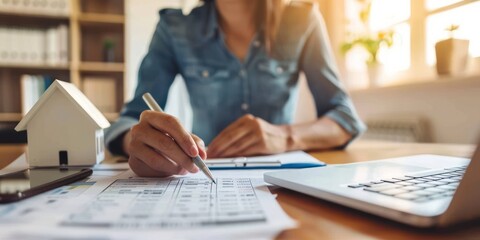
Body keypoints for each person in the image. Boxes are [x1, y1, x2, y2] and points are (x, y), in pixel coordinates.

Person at [105, 0, 366, 177]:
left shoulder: (302, 19)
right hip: (205, 174)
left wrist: (285, 136)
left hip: (283, 179)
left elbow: (344, 118)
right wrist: (137, 142)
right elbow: (129, 119)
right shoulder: (175, 28)